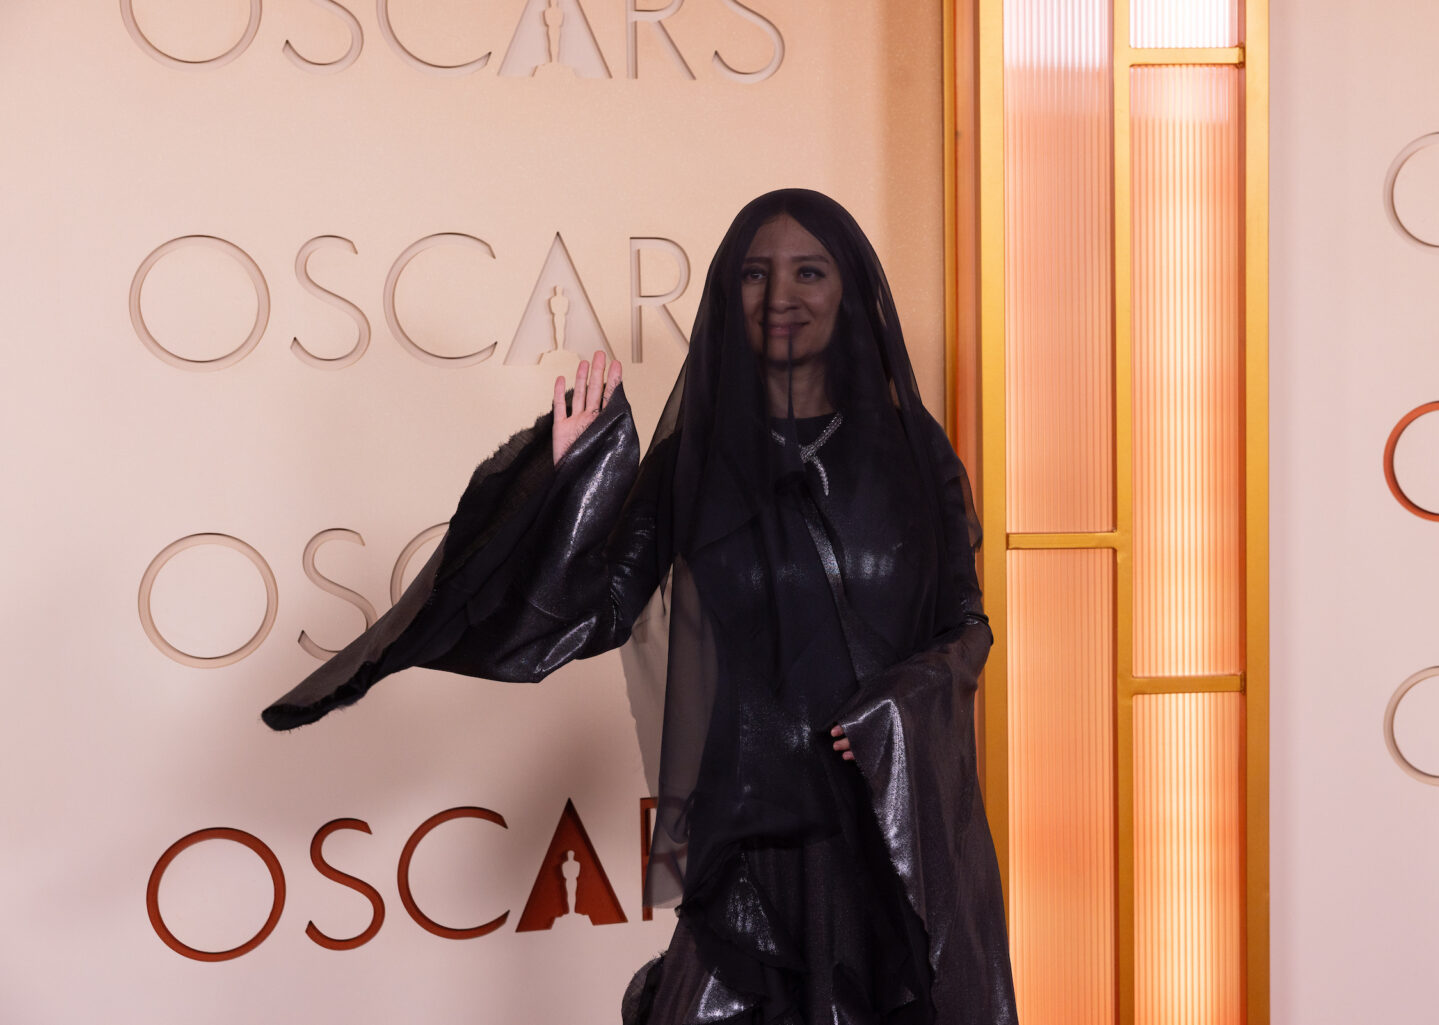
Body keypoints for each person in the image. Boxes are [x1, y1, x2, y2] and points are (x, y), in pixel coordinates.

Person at [263, 189, 1017, 1024]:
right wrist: (568, 482)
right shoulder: (697, 460)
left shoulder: (914, 457)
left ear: (850, 290)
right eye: (754, 274)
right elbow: (596, 611)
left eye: (809, 271)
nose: (780, 294)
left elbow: (966, 626)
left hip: (888, 832)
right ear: (728, 295)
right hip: (754, 838)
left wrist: (896, 707)